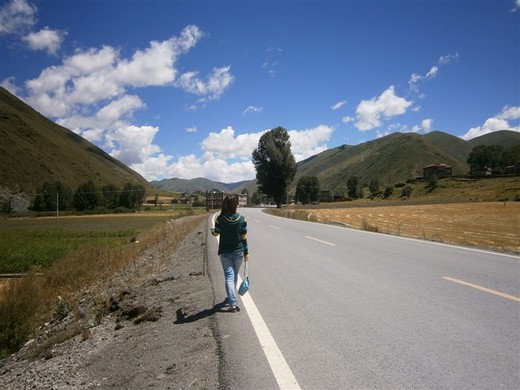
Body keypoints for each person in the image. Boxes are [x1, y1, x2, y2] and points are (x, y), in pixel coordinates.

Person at [211, 195, 249, 312]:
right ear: (236, 205)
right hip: (239, 253)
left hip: (225, 253)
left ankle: (232, 303)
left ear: (225, 205)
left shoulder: (220, 219)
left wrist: (213, 229)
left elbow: (215, 234)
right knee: (234, 275)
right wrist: (246, 252)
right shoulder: (242, 219)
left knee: (229, 277)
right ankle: (232, 298)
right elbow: (244, 237)